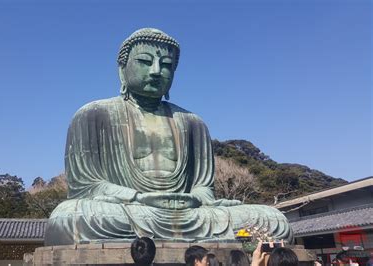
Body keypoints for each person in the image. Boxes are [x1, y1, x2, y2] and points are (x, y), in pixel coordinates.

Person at [44, 28, 293, 245]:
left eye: (165, 65)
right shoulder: (93, 115)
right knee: (70, 217)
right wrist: (138, 197)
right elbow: (86, 187)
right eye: (145, 61)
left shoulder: (193, 123)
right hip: (128, 210)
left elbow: (203, 187)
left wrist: (199, 199)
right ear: (122, 69)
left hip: (189, 214)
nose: (156, 71)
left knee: (270, 219)